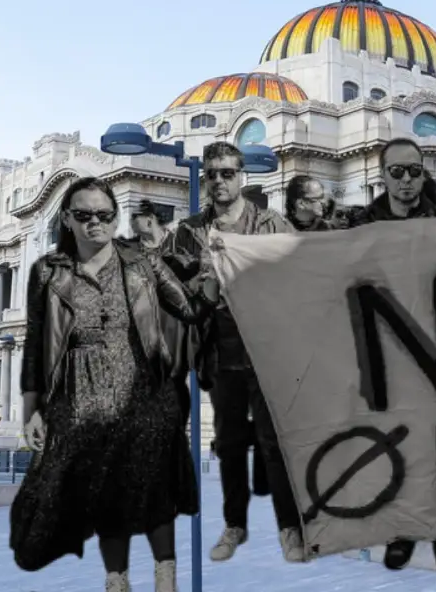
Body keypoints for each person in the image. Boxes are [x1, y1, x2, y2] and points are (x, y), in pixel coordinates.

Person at [16, 176, 215, 592]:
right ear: (67, 219)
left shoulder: (143, 261)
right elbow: (36, 344)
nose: (96, 223)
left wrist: (215, 270)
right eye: (84, 215)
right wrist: (31, 407)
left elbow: (190, 309)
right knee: (104, 489)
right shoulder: (48, 272)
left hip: (145, 387)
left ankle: (166, 580)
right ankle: (117, 581)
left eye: (105, 215)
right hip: (81, 392)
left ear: (114, 217)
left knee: (155, 484)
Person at [161, 141, 304, 564]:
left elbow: (301, 273)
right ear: (205, 179)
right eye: (212, 174)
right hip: (219, 347)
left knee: (273, 441)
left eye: (228, 173)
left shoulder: (271, 223)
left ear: (242, 176)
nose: (219, 181)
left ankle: (290, 528)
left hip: (267, 347)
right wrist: (202, 279)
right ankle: (234, 525)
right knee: (228, 441)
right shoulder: (189, 232)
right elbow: (170, 291)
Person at [346, 137, 436, 574]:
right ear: (383, 176)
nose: (408, 180)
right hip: (386, 349)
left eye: (415, 171)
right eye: (397, 172)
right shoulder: (360, 223)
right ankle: (400, 532)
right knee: (394, 445)